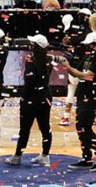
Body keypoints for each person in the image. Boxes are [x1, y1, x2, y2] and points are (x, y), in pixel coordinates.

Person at [5, 34, 62, 166]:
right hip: (45, 97)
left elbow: (29, 82)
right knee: (45, 127)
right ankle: (45, 155)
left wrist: (23, 97)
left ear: (36, 47)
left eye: (32, 44)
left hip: (31, 99)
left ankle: (17, 156)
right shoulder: (48, 60)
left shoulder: (31, 60)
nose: (30, 46)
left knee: (25, 129)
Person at [62, 32, 96, 171]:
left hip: (93, 97)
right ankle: (86, 157)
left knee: (84, 126)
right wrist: (69, 62)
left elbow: (87, 76)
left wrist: (68, 67)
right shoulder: (89, 56)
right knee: (80, 126)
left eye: (89, 45)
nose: (86, 47)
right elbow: (77, 70)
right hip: (83, 95)